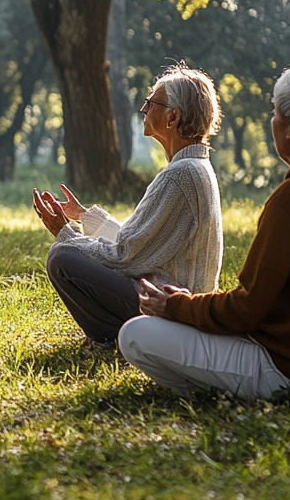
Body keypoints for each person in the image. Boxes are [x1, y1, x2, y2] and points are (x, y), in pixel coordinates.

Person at [121, 63, 290, 399]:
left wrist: (177, 308)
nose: (272, 120)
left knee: (136, 335)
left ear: (289, 129)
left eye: (276, 112)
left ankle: (217, 394)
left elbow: (247, 309)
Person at [33, 63, 223, 344]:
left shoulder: (180, 175)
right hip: (181, 307)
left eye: (151, 102)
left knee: (62, 258)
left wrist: (65, 233)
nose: (144, 109)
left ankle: (110, 339)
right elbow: (142, 242)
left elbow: (124, 256)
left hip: (171, 311)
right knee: (66, 251)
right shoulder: (195, 167)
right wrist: (85, 217)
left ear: (173, 117)